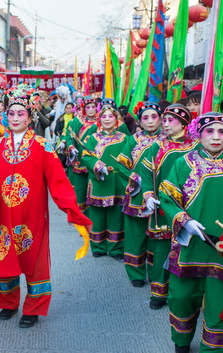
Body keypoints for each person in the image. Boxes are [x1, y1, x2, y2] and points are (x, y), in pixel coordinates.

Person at [0, 84, 92, 329]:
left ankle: (33, 307)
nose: (16, 118)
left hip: (32, 216)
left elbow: (58, 181)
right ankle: (8, 303)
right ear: (6, 116)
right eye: (12, 113)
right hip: (3, 216)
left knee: (33, 260)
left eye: (21, 114)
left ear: (30, 118)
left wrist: (72, 210)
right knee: (4, 257)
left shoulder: (42, 146)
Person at [159, 112, 223, 353]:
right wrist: (184, 221)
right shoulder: (183, 163)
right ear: (199, 134)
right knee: (181, 297)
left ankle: (215, 349)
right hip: (190, 244)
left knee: (220, 303)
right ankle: (181, 340)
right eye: (210, 131)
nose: (216, 137)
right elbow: (167, 195)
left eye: (222, 131)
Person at [140, 104, 199, 310]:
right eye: (163, 120)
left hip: (190, 206)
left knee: (188, 250)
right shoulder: (157, 146)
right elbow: (146, 174)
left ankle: (188, 294)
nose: (165, 125)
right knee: (162, 250)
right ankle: (158, 292)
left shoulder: (197, 147)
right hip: (163, 208)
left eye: (169, 120)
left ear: (183, 123)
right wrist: (148, 194)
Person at [116, 102, 165, 287]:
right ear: (139, 121)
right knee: (135, 236)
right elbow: (122, 165)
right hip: (136, 194)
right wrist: (134, 179)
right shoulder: (133, 140)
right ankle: (136, 273)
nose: (150, 121)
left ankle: (156, 274)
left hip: (159, 195)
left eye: (154, 117)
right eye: (146, 118)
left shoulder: (167, 141)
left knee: (157, 237)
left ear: (161, 119)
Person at [80, 99, 127, 259]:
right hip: (98, 181)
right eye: (104, 116)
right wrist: (96, 164)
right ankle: (98, 245)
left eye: (110, 116)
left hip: (117, 183)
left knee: (116, 216)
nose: (107, 119)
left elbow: (129, 158)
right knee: (97, 215)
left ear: (116, 120)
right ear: (100, 120)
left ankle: (116, 248)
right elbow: (86, 155)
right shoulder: (92, 138)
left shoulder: (124, 138)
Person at [60, 96, 98, 212]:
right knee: (80, 189)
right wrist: (71, 147)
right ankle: (80, 214)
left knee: (94, 188)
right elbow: (70, 136)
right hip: (80, 160)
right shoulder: (77, 121)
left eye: (93, 107)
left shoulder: (101, 121)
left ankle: (93, 214)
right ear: (83, 108)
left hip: (95, 159)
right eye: (88, 107)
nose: (91, 109)